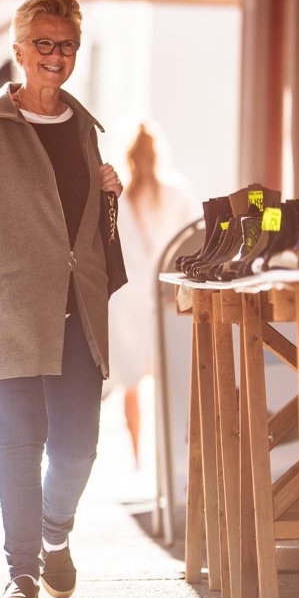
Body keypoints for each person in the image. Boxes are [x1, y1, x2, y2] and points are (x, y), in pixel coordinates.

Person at [0, 0, 123, 598]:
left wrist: (108, 190)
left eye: (66, 45)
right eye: (43, 44)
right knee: (20, 440)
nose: (55, 56)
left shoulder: (83, 128)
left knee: (77, 447)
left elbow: (83, 222)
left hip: (79, 310)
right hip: (12, 310)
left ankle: (54, 534)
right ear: (19, 50)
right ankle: (21, 572)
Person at [106, 123, 194, 466]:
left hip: (130, 300)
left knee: (132, 382)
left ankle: (138, 457)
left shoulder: (120, 200)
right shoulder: (178, 192)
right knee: (170, 379)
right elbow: (195, 239)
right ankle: (170, 460)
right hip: (169, 294)